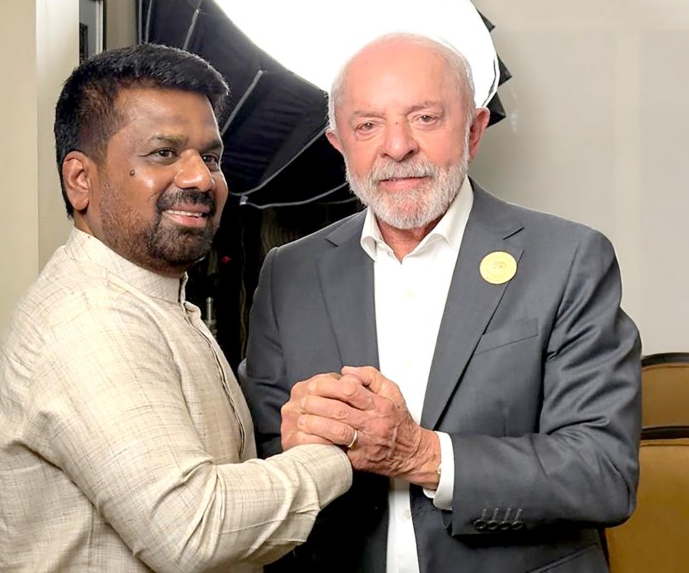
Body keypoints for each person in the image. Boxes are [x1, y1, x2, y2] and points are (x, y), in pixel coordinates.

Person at [242, 33, 642, 572]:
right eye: (367, 125)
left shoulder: (568, 259)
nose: (397, 146)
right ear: (339, 144)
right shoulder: (289, 273)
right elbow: (260, 455)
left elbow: (604, 474)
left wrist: (420, 454)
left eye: (425, 118)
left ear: (474, 130)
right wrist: (301, 450)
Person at [0, 44, 352, 573]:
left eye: (210, 157)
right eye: (164, 153)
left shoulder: (152, 298)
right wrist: (342, 451)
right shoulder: (91, 319)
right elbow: (193, 531)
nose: (201, 179)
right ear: (80, 180)